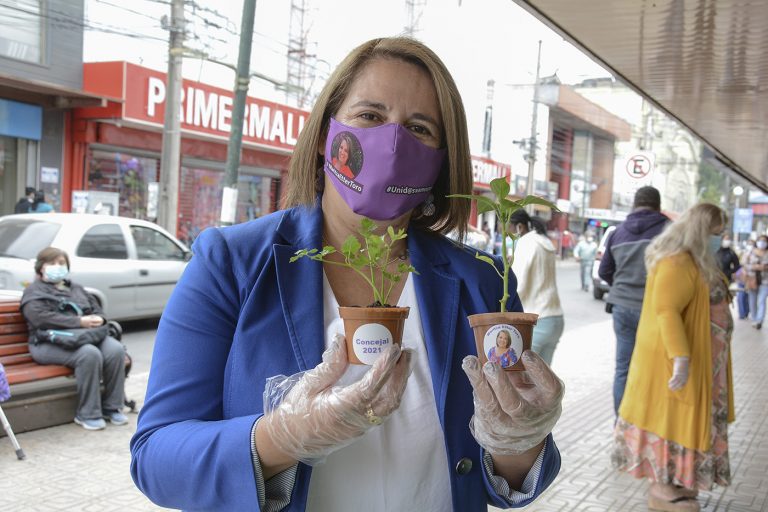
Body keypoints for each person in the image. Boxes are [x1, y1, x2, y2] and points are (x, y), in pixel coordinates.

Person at [130, 37, 563, 512]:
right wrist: (283, 435)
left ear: (441, 160)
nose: (392, 142)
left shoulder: (482, 282)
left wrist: (520, 437)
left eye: (419, 128)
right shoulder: (231, 263)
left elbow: (507, 477)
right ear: (324, 135)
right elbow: (156, 456)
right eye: (370, 116)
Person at [612, 203, 734, 512]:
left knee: (683, 422)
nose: (720, 239)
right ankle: (662, 487)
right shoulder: (676, 262)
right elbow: (667, 312)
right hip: (676, 364)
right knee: (668, 422)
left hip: (704, 363)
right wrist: (681, 358)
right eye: (716, 233)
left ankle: (676, 483)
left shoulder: (694, 261)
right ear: (700, 231)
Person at [20, 247, 127, 431]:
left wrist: (99, 319)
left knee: (115, 350)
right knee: (89, 354)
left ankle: (112, 407)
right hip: (47, 343)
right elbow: (41, 319)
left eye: (61, 263)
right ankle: (87, 413)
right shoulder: (33, 292)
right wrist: (79, 321)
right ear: (40, 267)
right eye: (52, 263)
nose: (57, 267)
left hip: (85, 336)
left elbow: (96, 309)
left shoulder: (76, 288)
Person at [598, 186, 669, 415]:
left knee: (623, 369)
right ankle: (646, 424)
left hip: (622, 307)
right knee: (655, 368)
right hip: (655, 309)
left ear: (634, 205)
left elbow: (604, 271)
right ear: (658, 206)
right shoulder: (668, 231)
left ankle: (622, 424)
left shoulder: (617, 232)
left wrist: (621, 285)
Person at [509, 210, 564, 366]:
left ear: (519, 227)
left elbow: (519, 284)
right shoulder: (544, 241)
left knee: (525, 382)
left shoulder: (526, 243)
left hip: (536, 320)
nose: (507, 232)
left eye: (508, 227)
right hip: (555, 318)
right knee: (545, 384)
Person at [744, 234, 768, 329]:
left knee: (761, 300)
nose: (762, 243)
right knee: (752, 300)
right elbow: (744, 265)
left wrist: (765, 268)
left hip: (765, 281)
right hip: (752, 279)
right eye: (760, 240)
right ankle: (754, 318)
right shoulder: (750, 252)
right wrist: (755, 267)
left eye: (764, 241)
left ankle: (759, 320)